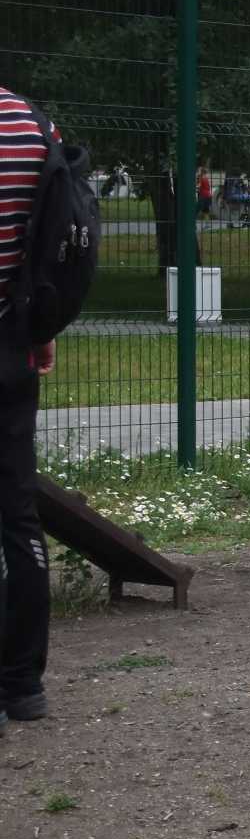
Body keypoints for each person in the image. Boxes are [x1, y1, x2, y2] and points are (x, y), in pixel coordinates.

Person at [0, 83, 56, 730]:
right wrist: (40, 331)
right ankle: (23, 684)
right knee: (18, 513)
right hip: (12, 344)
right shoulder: (34, 124)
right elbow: (45, 240)